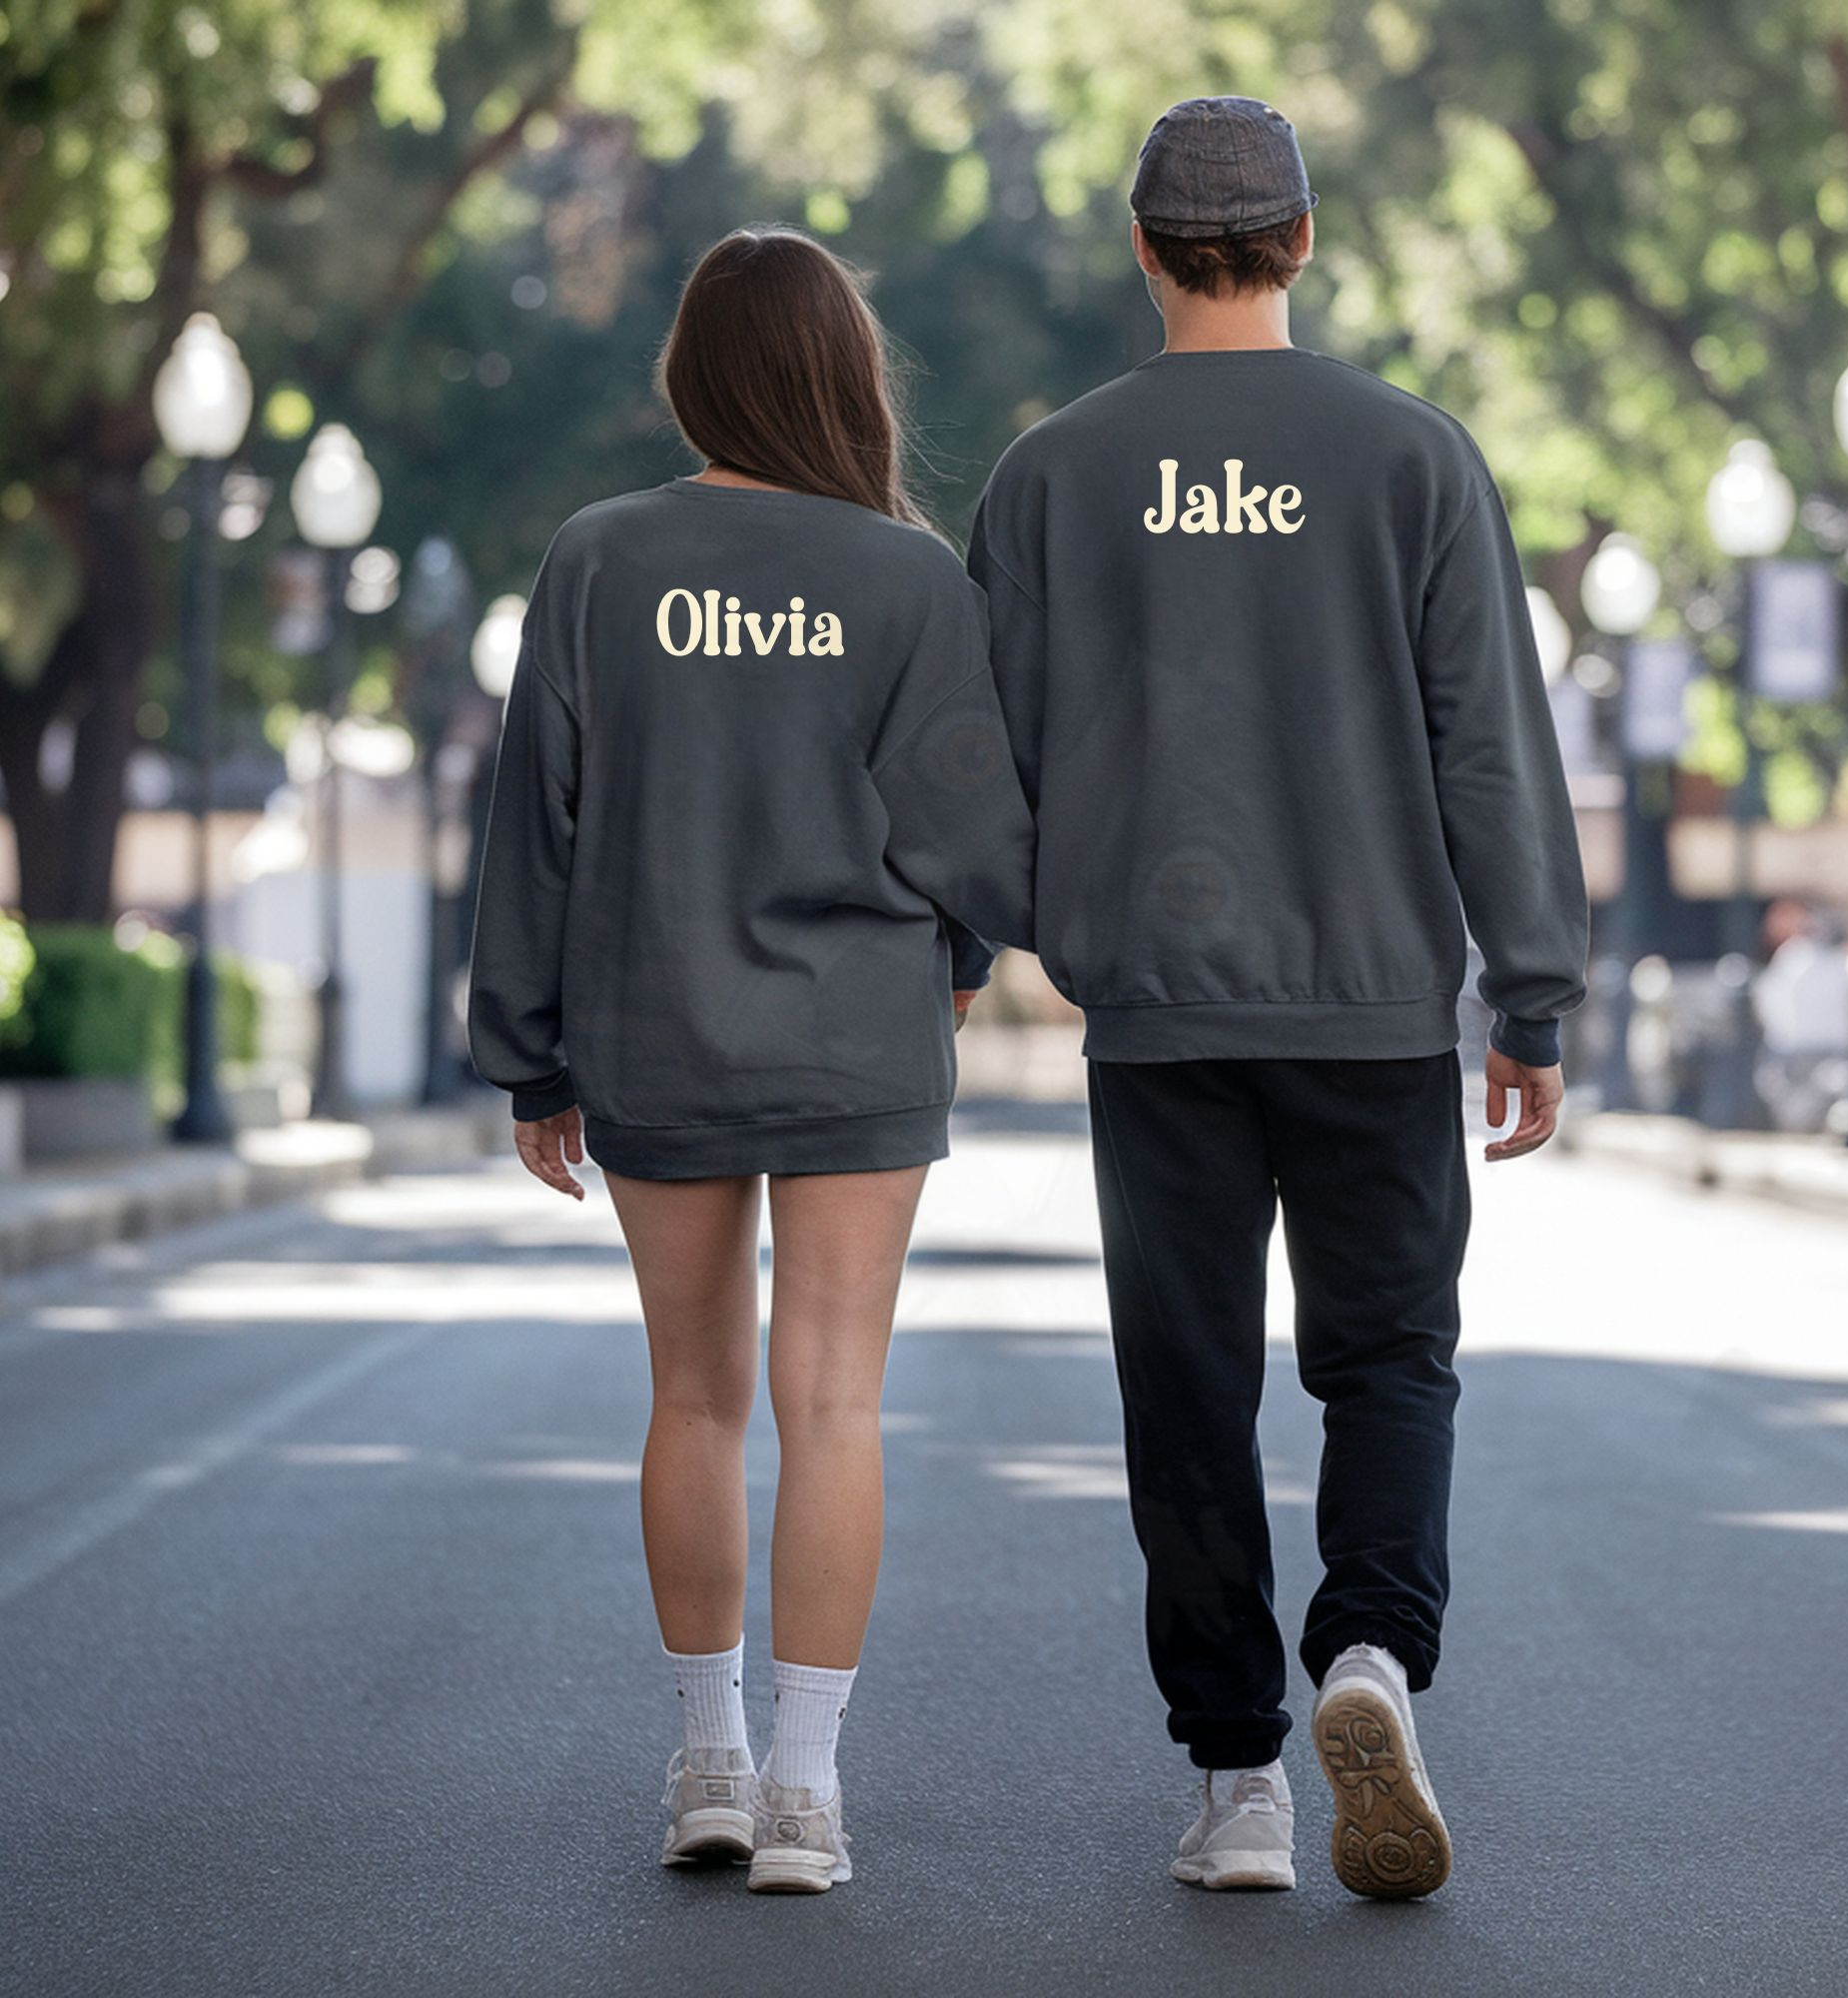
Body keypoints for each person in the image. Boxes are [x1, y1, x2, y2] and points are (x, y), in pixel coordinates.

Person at [968, 99, 1588, 1899]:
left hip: (1159, 1016)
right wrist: (1530, 1000)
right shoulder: (1413, 456)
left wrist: (995, 937)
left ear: (1148, 253)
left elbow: (977, 758)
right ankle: (1373, 1652)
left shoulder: (1054, 474)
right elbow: (1492, 749)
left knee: (1187, 1388)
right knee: (1388, 1360)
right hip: (1379, 1005)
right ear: (1302, 244)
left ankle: (1239, 1783)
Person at [465, 228, 1036, 1895]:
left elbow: (538, 831)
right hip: (857, 1031)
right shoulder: (913, 578)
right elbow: (974, 842)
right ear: (848, 378)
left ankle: (704, 1760)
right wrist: (963, 960)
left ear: (689, 376)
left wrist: (528, 1055)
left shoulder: (596, 560)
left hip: (654, 1027)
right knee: (835, 1401)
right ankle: (807, 1790)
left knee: (694, 1398)